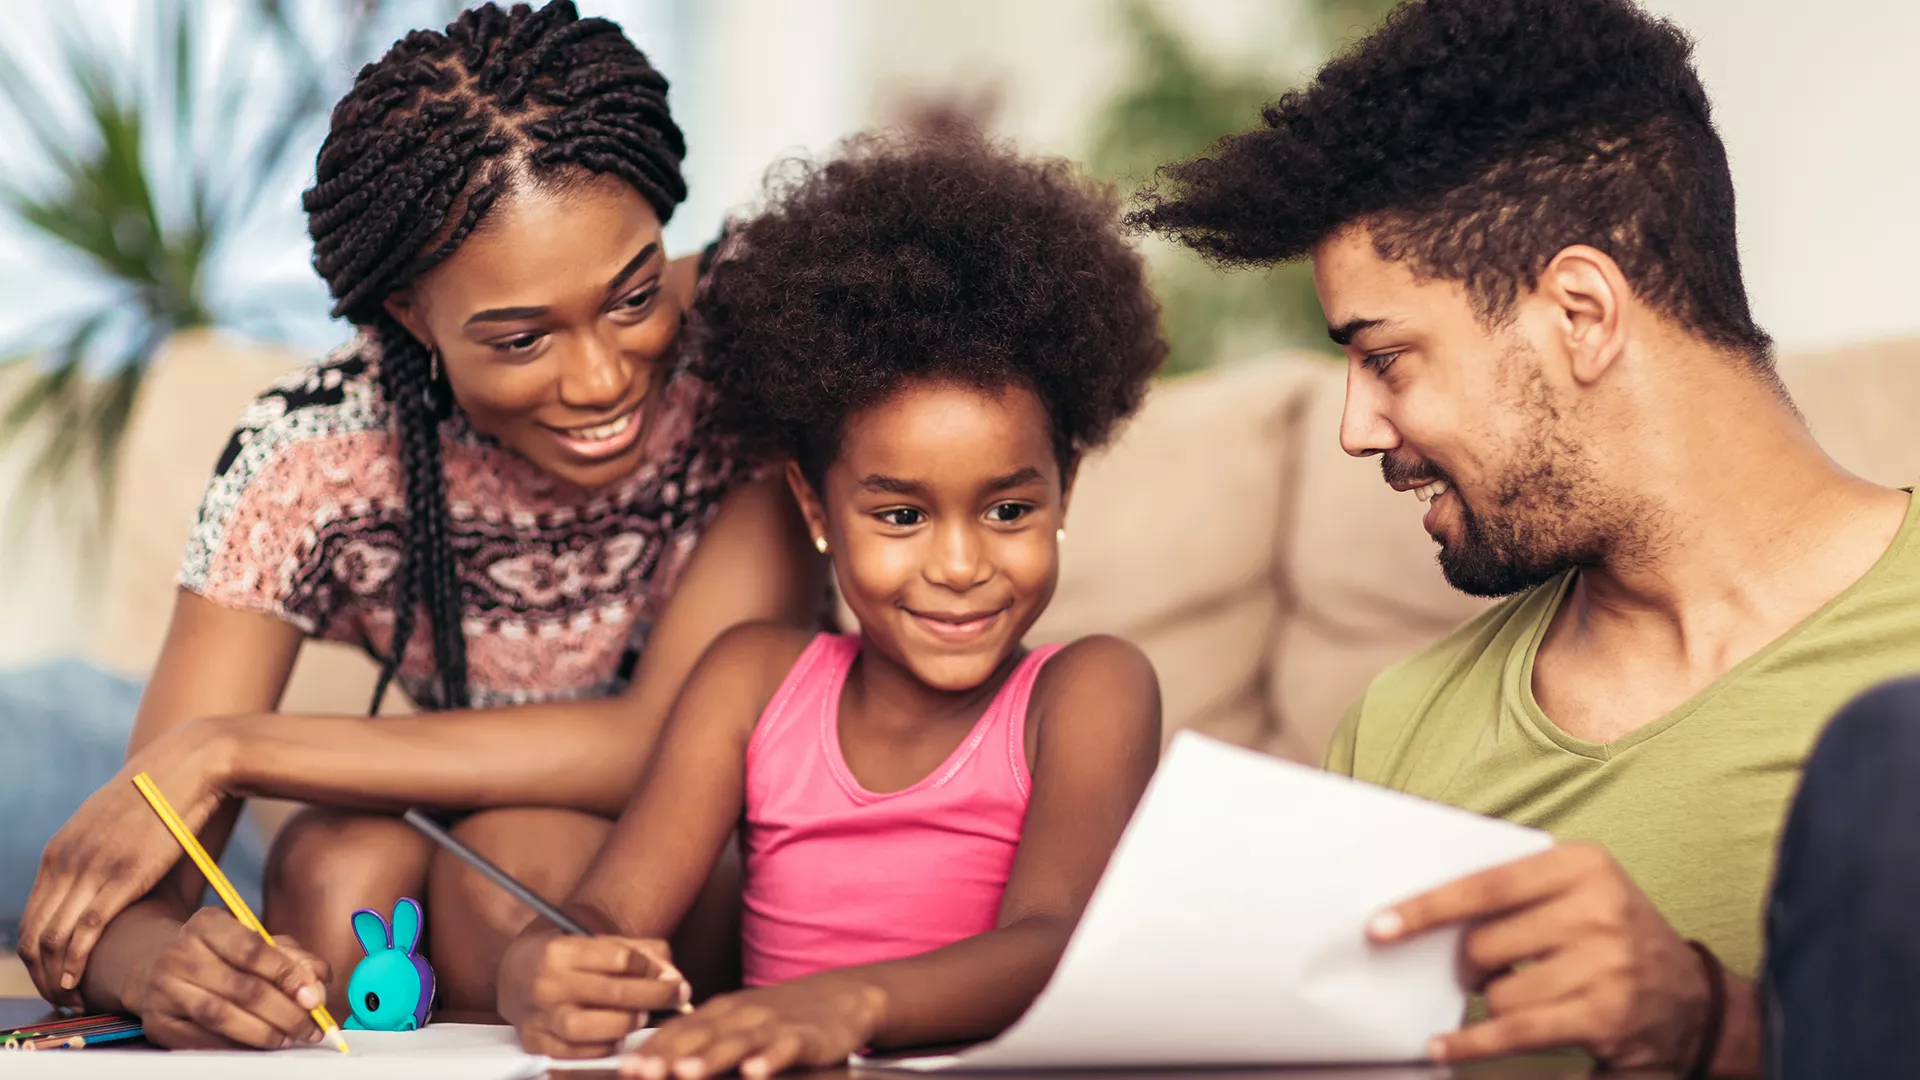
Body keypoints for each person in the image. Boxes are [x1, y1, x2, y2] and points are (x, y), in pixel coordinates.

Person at [17, 0, 826, 1047]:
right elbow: (144, 875)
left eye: (631, 298)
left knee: (520, 868)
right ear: (410, 315)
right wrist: (156, 967)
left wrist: (230, 747)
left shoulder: (756, 347)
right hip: (442, 852)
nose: (601, 378)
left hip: (699, 846)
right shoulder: (313, 458)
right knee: (328, 867)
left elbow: (661, 739)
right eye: (521, 337)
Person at [1133, 0, 1920, 1074]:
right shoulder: (1397, 736)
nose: (1357, 430)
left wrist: (1717, 1028)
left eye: (1387, 358)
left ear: (1582, 315)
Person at [495, 129, 1166, 1078]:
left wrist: (849, 1004)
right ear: (816, 509)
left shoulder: (1089, 689)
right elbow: (610, 911)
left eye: (1009, 508)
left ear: (1067, 489)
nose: (962, 563)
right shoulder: (752, 679)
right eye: (901, 514)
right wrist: (540, 964)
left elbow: (1054, 938)